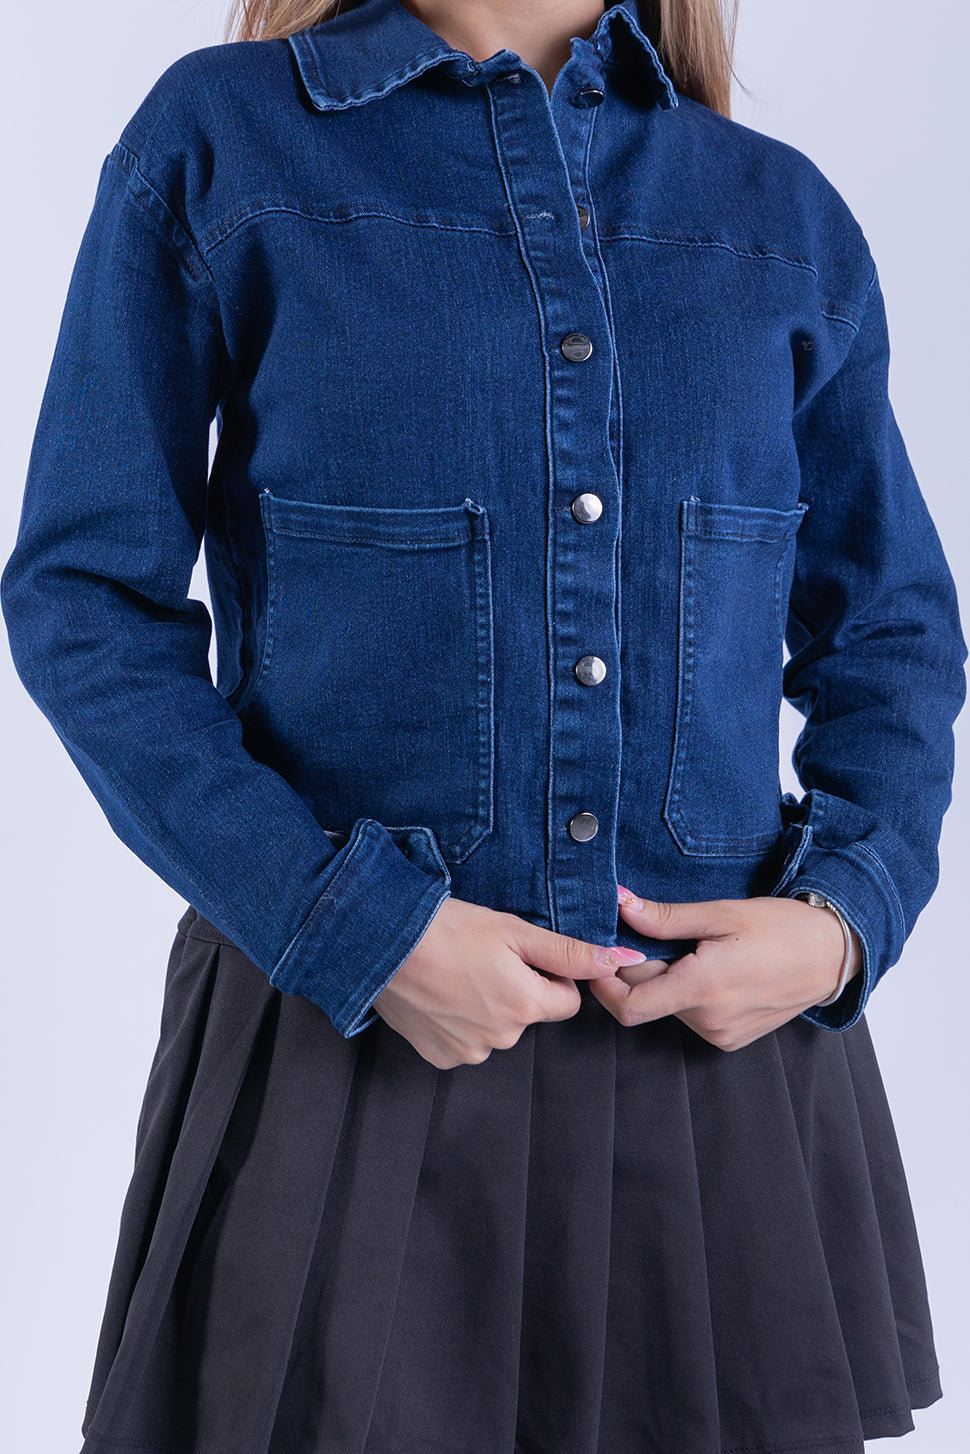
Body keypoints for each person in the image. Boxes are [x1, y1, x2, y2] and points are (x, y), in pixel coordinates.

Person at [2, 0, 965, 1449]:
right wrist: (355, 927)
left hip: (723, 1087)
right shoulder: (222, 145)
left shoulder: (780, 218)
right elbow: (83, 600)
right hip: (339, 1056)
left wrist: (840, 921)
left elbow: (891, 633)